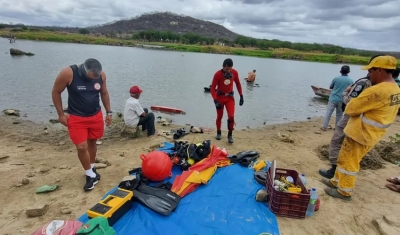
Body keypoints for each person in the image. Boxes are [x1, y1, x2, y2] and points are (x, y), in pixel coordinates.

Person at [321, 55, 400, 201]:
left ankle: (344, 191)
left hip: (361, 133)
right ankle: (335, 181)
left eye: (371, 71)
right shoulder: (395, 89)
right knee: (344, 158)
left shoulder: (377, 90)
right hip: (372, 133)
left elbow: (351, 108)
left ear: (380, 70)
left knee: (350, 162)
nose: (368, 74)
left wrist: (349, 95)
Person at [51, 58, 112, 191]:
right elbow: (56, 92)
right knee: (81, 147)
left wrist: (109, 112)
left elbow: (104, 93)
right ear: (84, 70)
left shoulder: (101, 75)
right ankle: (89, 174)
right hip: (76, 117)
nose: (92, 80)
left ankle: (91, 166)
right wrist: (61, 114)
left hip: (95, 115)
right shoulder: (68, 73)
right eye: (90, 77)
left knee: (92, 142)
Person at [318, 55, 384, 179]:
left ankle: (334, 169)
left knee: (337, 138)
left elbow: (350, 101)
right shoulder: (383, 86)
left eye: (370, 70)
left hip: (350, 113)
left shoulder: (363, 82)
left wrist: (345, 92)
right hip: (366, 122)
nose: (368, 72)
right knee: (339, 119)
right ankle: (340, 172)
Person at [211, 58, 244, 143]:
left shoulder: (235, 73)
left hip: (229, 98)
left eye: (230, 69)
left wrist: (241, 95)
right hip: (220, 98)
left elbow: (238, 84)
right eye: (226, 69)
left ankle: (230, 134)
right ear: (223, 67)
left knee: (231, 116)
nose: (228, 71)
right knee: (219, 116)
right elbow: (212, 88)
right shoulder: (217, 74)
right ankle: (218, 132)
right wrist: (215, 100)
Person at [321, 66, 353, 131]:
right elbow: (350, 90)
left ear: (340, 71)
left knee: (328, 113)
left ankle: (324, 127)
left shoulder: (336, 78)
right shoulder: (351, 80)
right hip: (342, 100)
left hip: (333, 98)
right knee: (339, 114)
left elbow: (331, 87)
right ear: (349, 72)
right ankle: (337, 127)